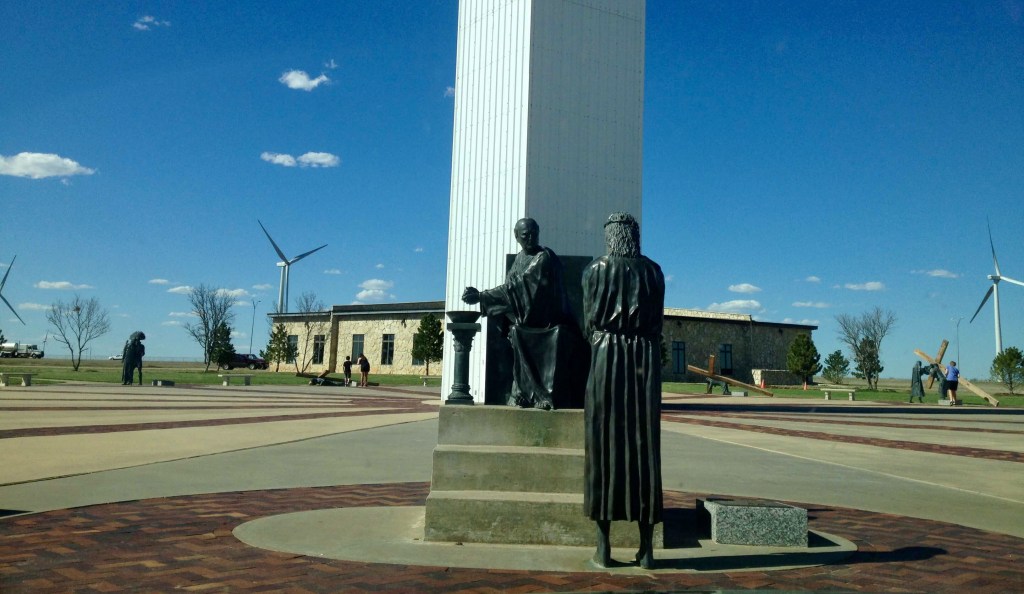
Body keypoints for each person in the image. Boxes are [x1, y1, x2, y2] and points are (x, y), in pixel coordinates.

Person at [582, 212, 665, 569]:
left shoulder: (595, 270)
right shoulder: (654, 272)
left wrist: (607, 339)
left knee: (602, 445)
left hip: (606, 355)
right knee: (645, 448)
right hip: (644, 357)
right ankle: (646, 548)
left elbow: (588, 322)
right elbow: (657, 322)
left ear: (611, 236)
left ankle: (603, 546)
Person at [462, 217, 586, 409]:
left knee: (521, 333)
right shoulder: (519, 259)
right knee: (515, 331)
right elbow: (511, 288)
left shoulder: (544, 257)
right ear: (516, 236)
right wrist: (487, 298)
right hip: (526, 320)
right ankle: (522, 393)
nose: (530, 238)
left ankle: (539, 395)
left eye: (534, 234)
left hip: (547, 322)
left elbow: (521, 288)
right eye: (525, 235)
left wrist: (482, 296)